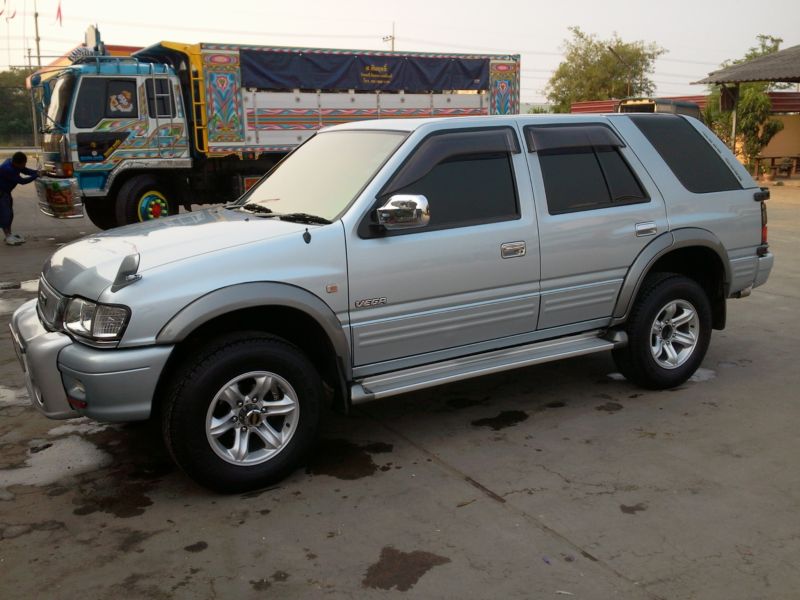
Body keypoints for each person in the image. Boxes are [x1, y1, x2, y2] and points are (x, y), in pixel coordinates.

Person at [0, 151, 39, 246]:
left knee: (10, 214)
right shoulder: (8, 169)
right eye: (24, 164)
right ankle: (8, 237)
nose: (24, 165)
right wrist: (36, 176)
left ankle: (9, 234)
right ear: (18, 163)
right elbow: (22, 181)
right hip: (1, 193)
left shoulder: (13, 163)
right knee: (6, 214)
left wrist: (36, 172)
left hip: (5, 192)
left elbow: (25, 170)